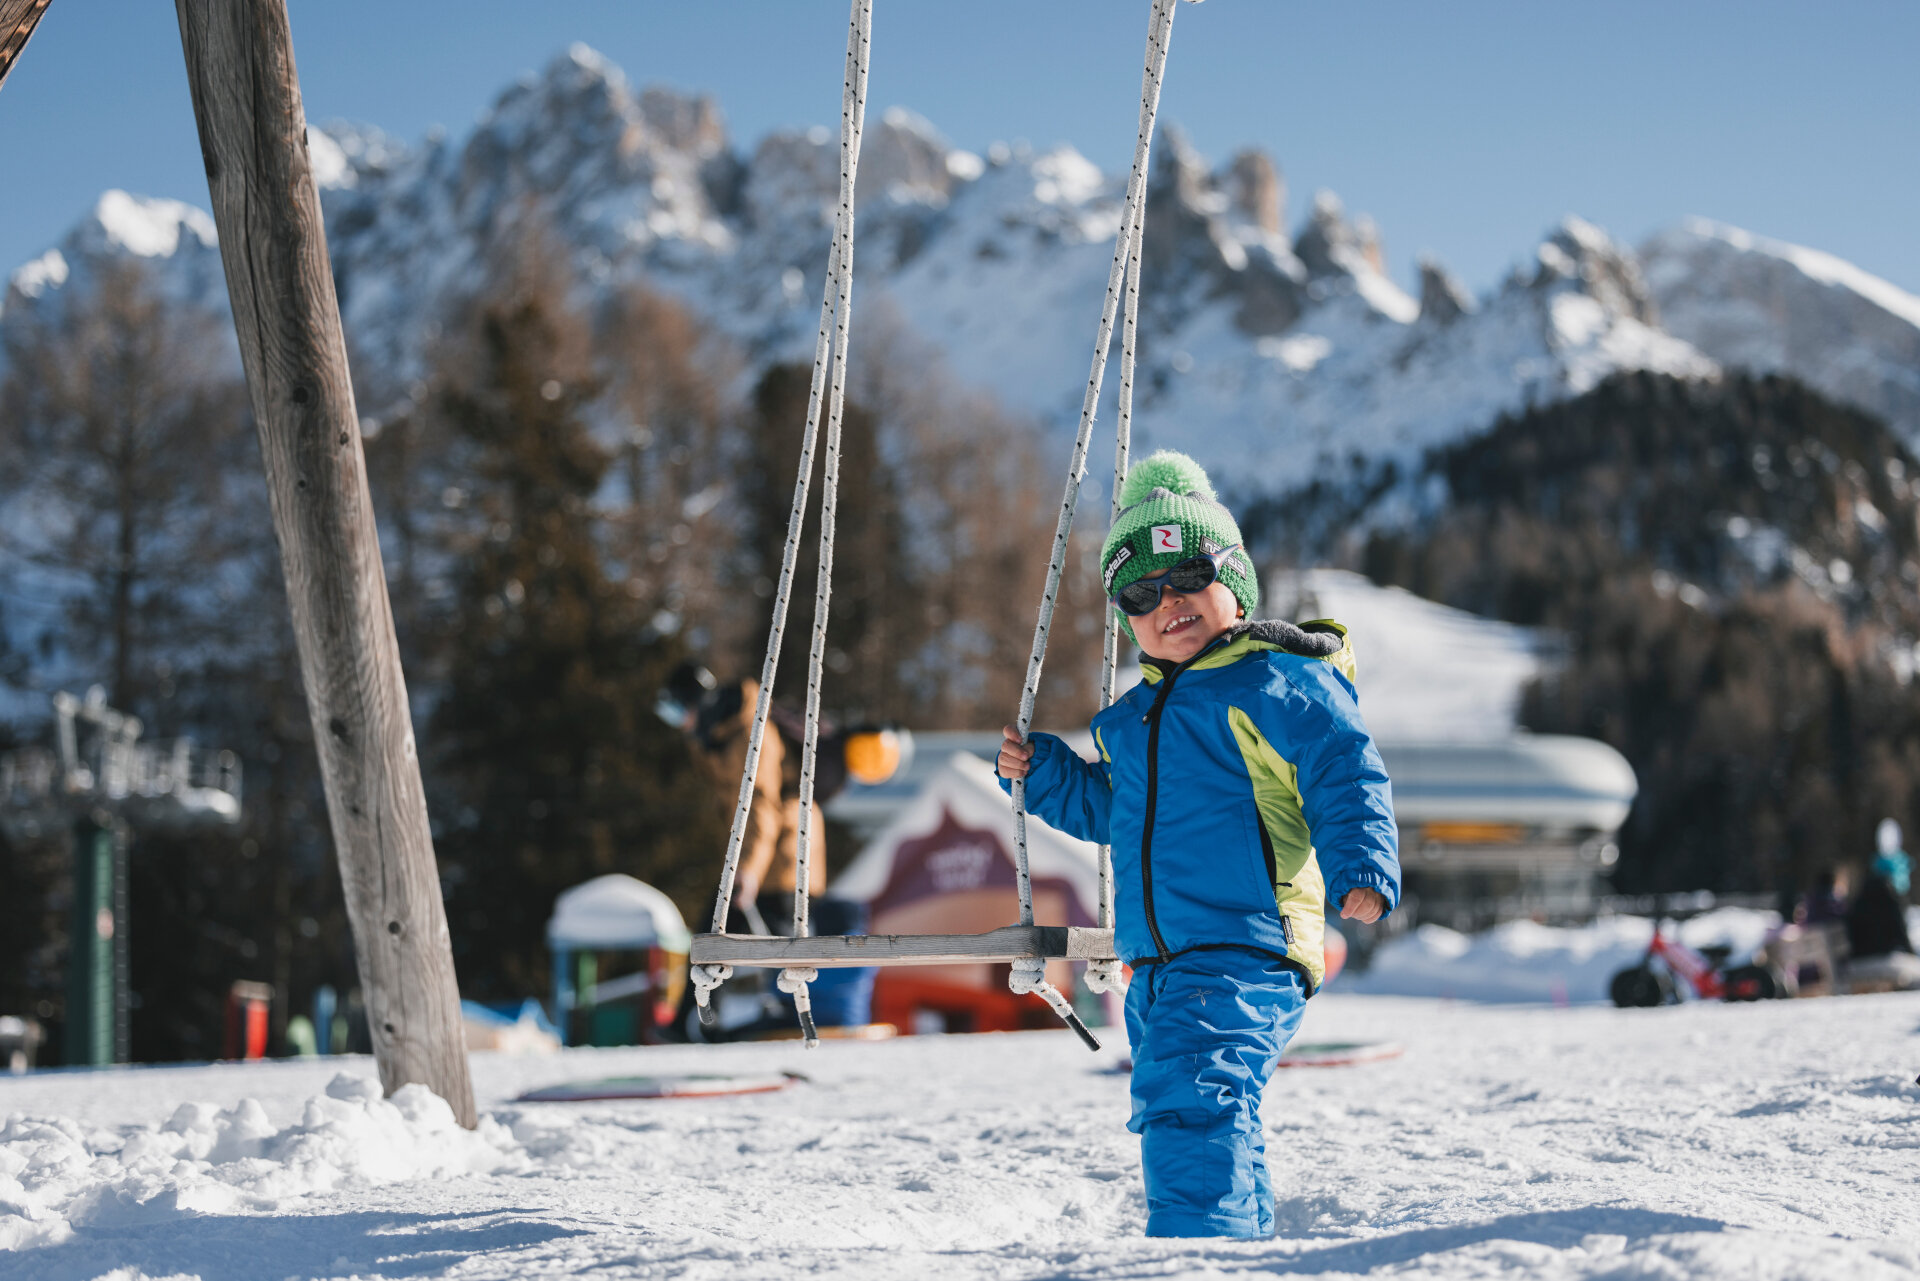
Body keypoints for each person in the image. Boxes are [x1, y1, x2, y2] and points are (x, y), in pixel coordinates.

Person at [995, 451, 1399, 1238]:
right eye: (1141, 594)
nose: (1167, 602)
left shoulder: (1274, 681)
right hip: (1162, 963)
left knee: (1192, 1097)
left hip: (1244, 941)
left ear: (1235, 580)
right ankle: (1235, 1241)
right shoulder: (1135, 717)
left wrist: (1361, 863)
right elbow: (1116, 811)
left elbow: (1342, 766)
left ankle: (1198, 1249)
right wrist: (1046, 773)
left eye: (1185, 576)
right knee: (1195, 1106)